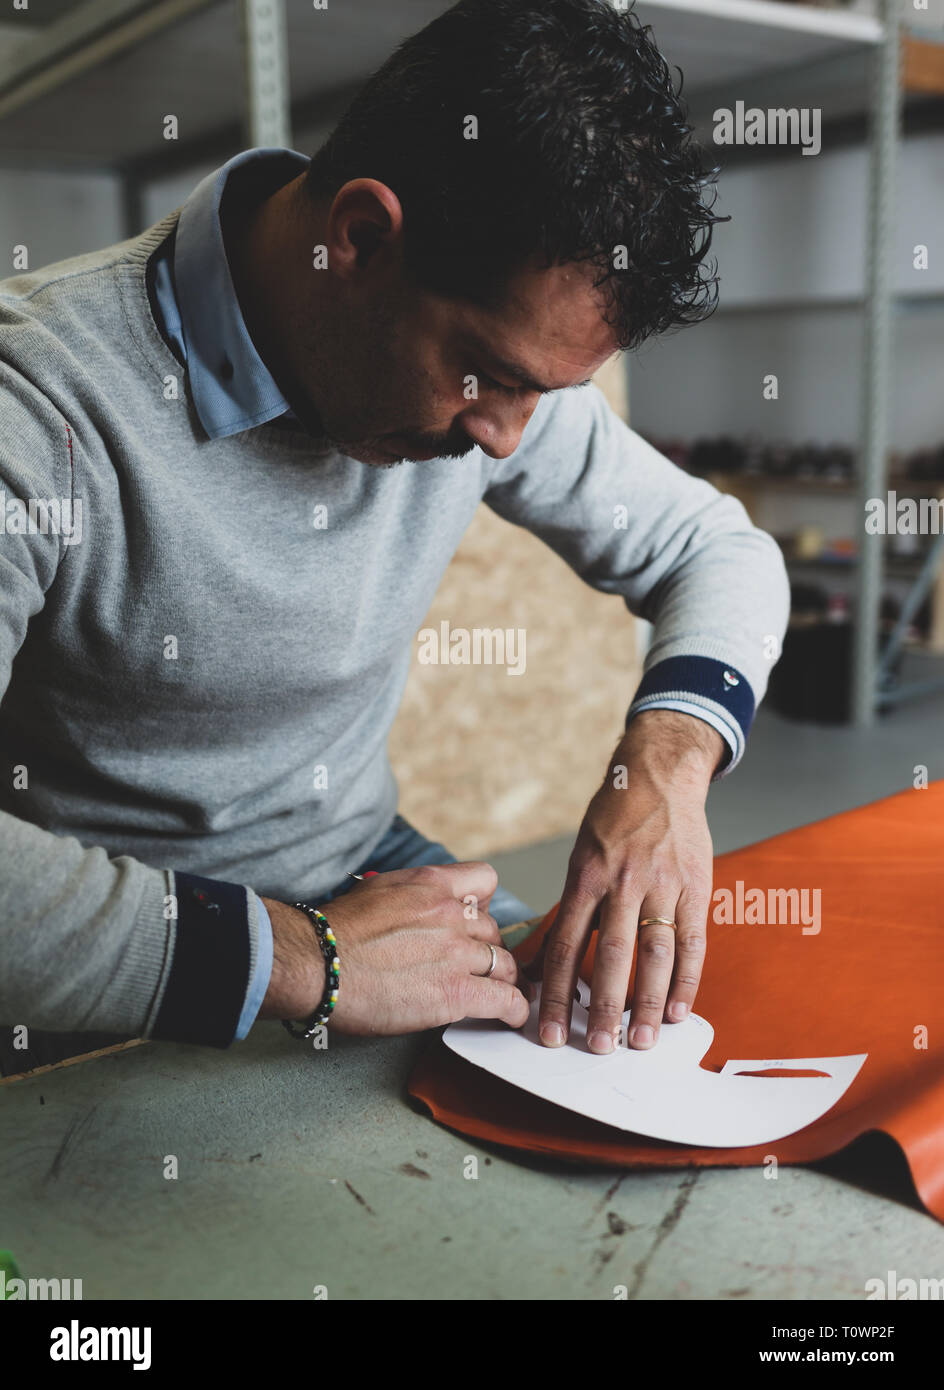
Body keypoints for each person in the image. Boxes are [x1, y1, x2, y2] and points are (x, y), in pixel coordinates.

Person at [0, 0, 788, 1060]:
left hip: (362, 868)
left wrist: (663, 766)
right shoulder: (38, 405)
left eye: (540, 396)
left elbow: (719, 548)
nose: (509, 439)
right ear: (360, 238)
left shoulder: (485, 393)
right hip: (97, 960)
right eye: (496, 378)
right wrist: (300, 961)